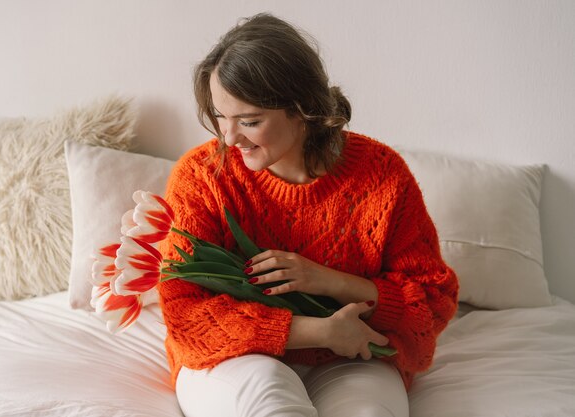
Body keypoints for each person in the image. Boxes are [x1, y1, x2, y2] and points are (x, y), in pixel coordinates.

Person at [157, 13, 459, 417]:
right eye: (220, 117)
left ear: (302, 110)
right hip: (236, 358)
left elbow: (432, 301)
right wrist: (320, 331)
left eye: (249, 121)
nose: (229, 138)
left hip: (353, 358)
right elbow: (186, 314)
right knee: (271, 406)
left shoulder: (381, 175)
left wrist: (328, 280)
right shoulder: (201, 177)